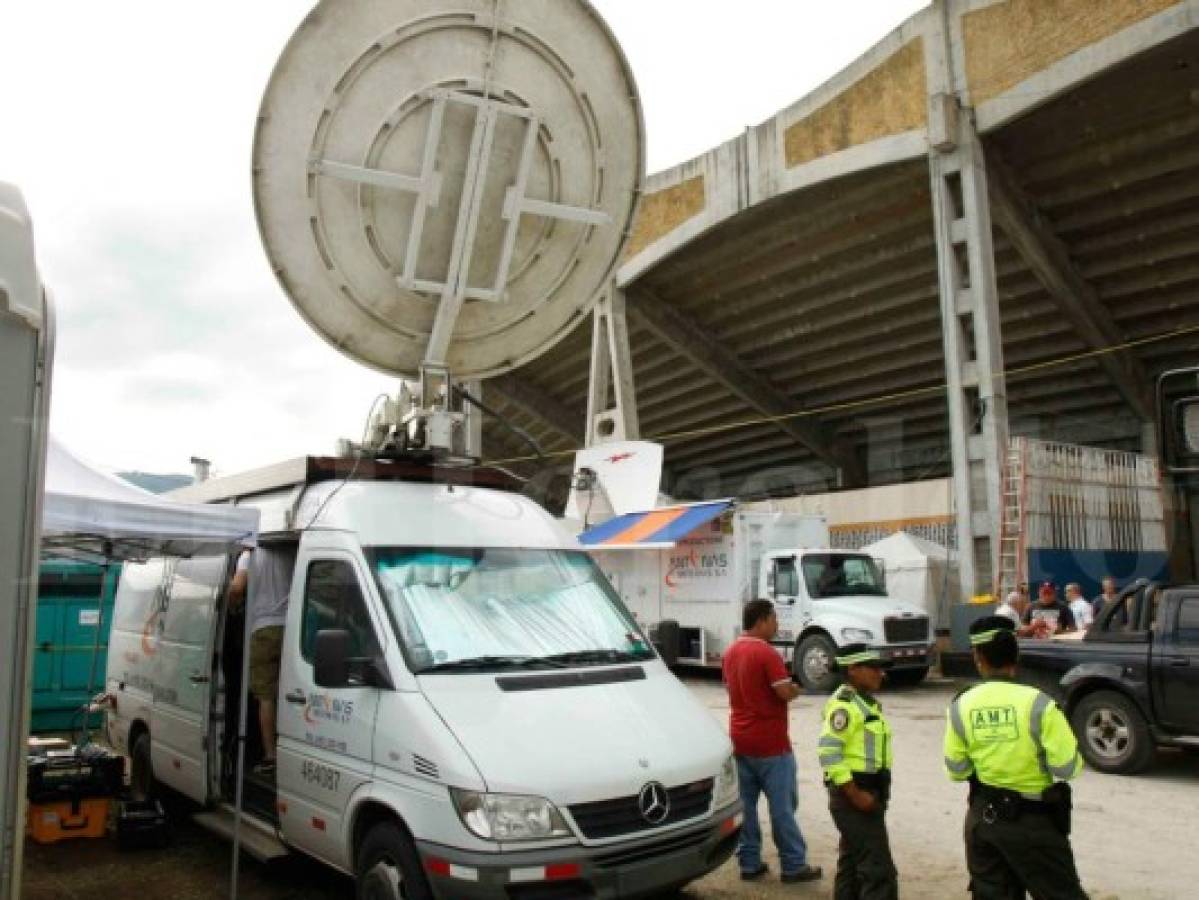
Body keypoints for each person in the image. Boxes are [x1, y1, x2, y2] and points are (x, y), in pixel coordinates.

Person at [944, 616, 1088, 899]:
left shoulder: (960, 706)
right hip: (1034, 823)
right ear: (1016, 655)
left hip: (983, 820)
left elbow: (957, 770)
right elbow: (1067, 767)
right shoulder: (1040, 703)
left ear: (978, 657)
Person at [723, 599, 823, 884]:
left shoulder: (731, 652)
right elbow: (783, 693)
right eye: (774, 619)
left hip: (740, 740)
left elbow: (732, 689)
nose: (777, 624)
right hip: (771, 744)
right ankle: (793, 864)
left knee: (746, 807)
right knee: (782, 808)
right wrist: (796, 688)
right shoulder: (766, 653)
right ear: (762, 620)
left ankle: (749, 862)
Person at [818, 645, 897, 900]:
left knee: (852, 864)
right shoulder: (844, 706)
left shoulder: (865, 703)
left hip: (868, 791)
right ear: (852, 670)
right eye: (873, 668)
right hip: (854, 794)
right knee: (878, 872)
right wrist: (855, 794)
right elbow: (829, 752)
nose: (880, 674)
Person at [239, 544, 297, 777]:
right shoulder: (289, 551)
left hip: (263, 629)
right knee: (291, 692)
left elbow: (237, 587)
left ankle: (271, 755)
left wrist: (232, 603)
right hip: (292, 627)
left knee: (266, 697)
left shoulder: (248, 555)